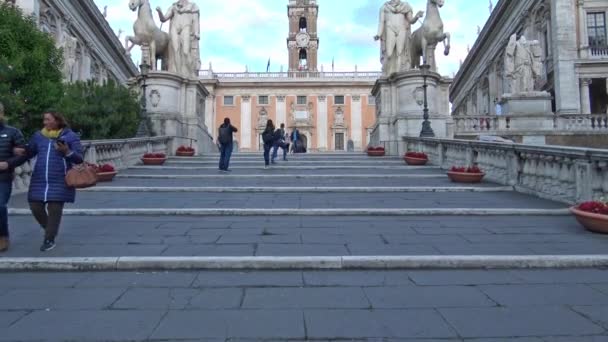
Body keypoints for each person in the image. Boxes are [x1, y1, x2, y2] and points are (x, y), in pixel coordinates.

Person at [22, 112, 83, 252]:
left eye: (48, 119)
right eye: (44, 119)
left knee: (55, 210)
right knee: (35, 206)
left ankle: (49, 238)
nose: (44, 122)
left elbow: (79, 158)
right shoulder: (38, 136)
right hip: (39, 179)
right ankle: (50, 229)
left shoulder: (70, 136)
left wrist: (66, 151)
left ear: (57, 121)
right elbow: (29, 152)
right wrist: (18, 153)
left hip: (60, 179)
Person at [0, 102, 27, 252]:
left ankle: (3, 236)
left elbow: (24, 154)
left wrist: (7, 164)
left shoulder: (12, 132)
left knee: (0, 206)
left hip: (3, 178)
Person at [374, 0, 423, 75]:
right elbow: (381, 22)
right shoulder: (384, 7)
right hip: (389, 28)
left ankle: (397, 74)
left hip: (402, 29)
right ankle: (387, 73)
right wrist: (378, 34)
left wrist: (417, 16)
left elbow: (411, 20)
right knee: (389, 53)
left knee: (400, 52)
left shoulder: (406, 6)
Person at [156, 0, 201, 77]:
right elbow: (163, 19)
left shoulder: (193, 6)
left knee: (186, 52)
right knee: (175, 50)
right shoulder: (173, 6)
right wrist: (159, 12)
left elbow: (196, 21)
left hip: (186, 26)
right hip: (174, 27)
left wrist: (196, 32)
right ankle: (179, 74)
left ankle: (191, 72)